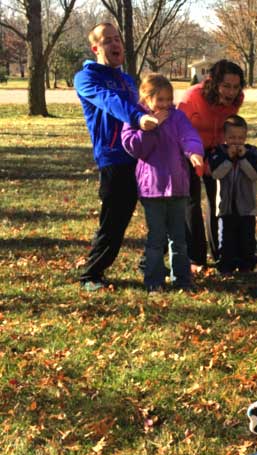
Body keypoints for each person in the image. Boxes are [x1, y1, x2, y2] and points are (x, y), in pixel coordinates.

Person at [75, 22, 163, 291]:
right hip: (114, 157)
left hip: (141, 155)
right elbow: (110, 103)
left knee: (158, 213)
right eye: (107, 40)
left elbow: (141, 104)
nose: (115, 45)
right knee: (115, 218)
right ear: (96, 48)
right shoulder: (86, 78)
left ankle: (152, 263)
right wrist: (139, 117)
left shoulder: (126, 79)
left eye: (117, 40)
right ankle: (91, 274)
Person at [121, 74, 204, 292]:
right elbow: (133, 147)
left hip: (178, 186)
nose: (166, 105)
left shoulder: (177, 118)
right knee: (156, 238)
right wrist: (150, 129)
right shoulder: (136, 119)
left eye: (169, 99)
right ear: (146, 100)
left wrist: (194, 152)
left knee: (179, 238)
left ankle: (182, 279)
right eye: (160, 100)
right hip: (152, 189)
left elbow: (189, 136)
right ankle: (153, 279)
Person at [178, 60, 245, 271]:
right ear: (214, 83)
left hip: (215, 150)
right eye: (226, 86)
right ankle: (195, 257)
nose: (231, 92)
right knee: (192, 202)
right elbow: (178, 129)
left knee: (218, 201)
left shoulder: (237, 99)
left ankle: (221, 254)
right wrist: (194, 156)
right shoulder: (192, 97)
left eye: (236, 87)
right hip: (187, 151)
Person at [209, 115, 257, 274]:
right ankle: (226, 264)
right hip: (225, 207)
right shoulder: (218, 153)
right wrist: (228, 157)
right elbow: (216, 174)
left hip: (247, 207)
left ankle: (247, 264)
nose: (236, 141)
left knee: (246, 238)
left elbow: (255, 173)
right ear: (225, 137)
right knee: (226, 239)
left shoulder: (253, 153)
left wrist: (242, 158)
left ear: (245, 136)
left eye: (240, 137)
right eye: (232, 137)